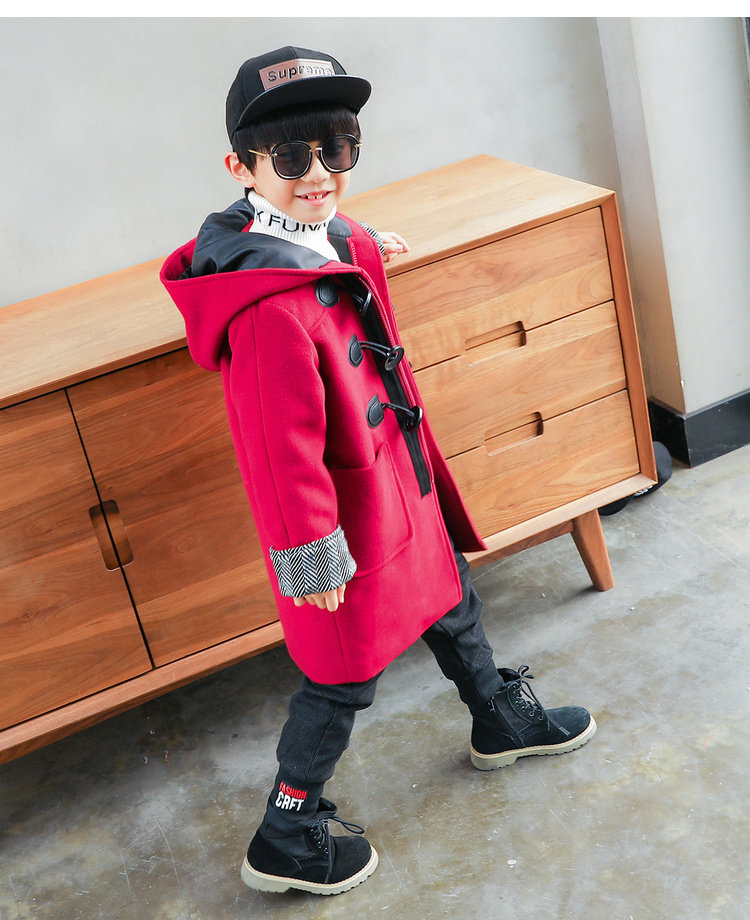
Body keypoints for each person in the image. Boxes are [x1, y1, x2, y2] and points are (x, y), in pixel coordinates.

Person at [161, 45, 596, 897]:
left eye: (338, 148)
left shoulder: (322, 236)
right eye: (291, 157)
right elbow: (276, 449)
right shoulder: (265, 308)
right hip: (346, 524)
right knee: (342, 676)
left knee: (451, 600)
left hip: (398, 487)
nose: (320, 173)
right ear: (241, 168)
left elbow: (317, 241)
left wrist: (360, 243)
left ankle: (498, 720)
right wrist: (310, 557)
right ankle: (286, 830)